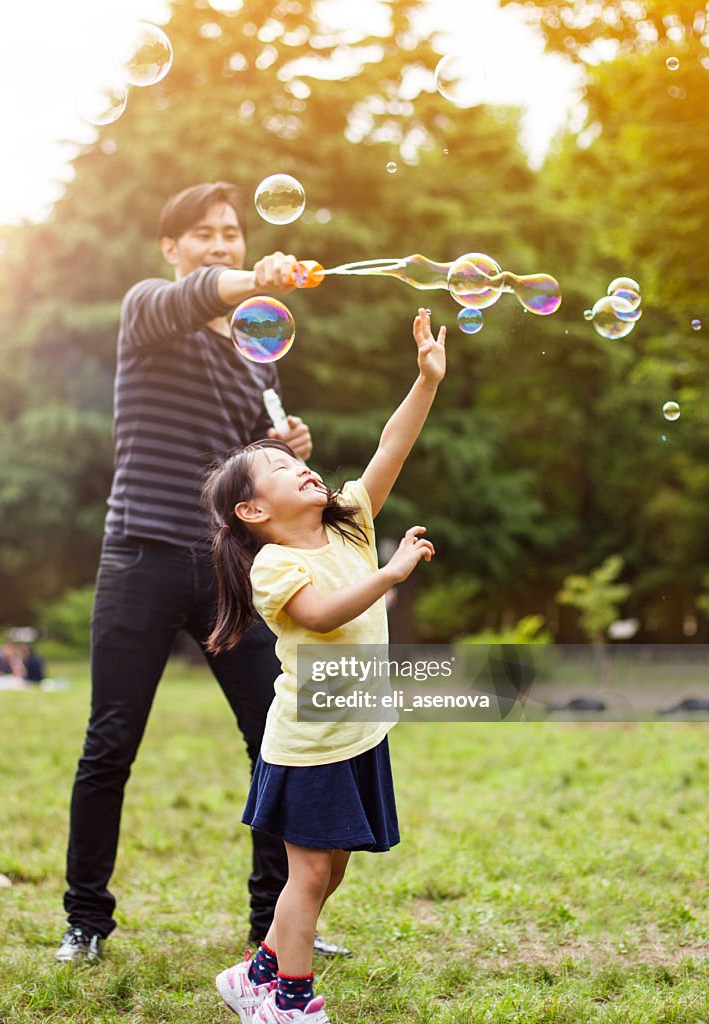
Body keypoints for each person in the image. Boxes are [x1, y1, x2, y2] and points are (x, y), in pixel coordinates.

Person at [56, 181, 331, 964]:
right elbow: (199, 297)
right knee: (110, 744)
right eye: (203, 234)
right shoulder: (147, 311)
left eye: (232, 233)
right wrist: (260, 278)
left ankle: (272, 927)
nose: (221, 244)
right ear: (171, 249)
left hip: (223, 574)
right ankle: (85, 921)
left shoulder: (256, 365)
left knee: (277, 740)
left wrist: (284, 453)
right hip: (138, 555)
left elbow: (250, 485)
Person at [206, 308, 446, 1023]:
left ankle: (254, 975)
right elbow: (322, 614)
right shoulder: (275, 565)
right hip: (308, 744)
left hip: (355, 730)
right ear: (252, 510)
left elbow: (391, 446)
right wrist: (391, 574)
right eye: (280, 469)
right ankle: (290, 1003)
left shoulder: (350, 521)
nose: (301, 467)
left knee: (330, 869)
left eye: (296, 460)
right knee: (308, 873)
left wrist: (425, 382)